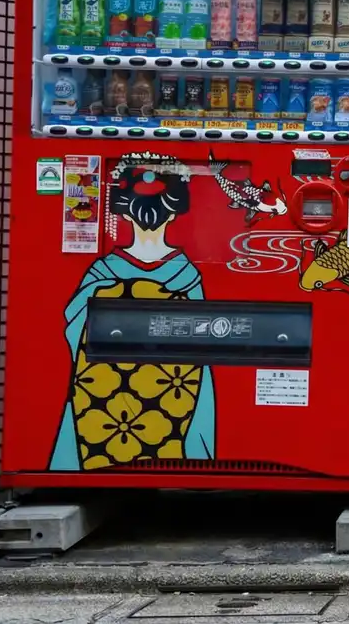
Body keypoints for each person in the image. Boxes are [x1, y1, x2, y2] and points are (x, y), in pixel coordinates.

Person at [49, 156, 215, 471]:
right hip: (173, 401)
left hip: (100, 401)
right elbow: (206, 347)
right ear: (176, 211)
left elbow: (72, 324)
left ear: (122, 211)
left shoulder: (101, 272)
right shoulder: (188, 275)